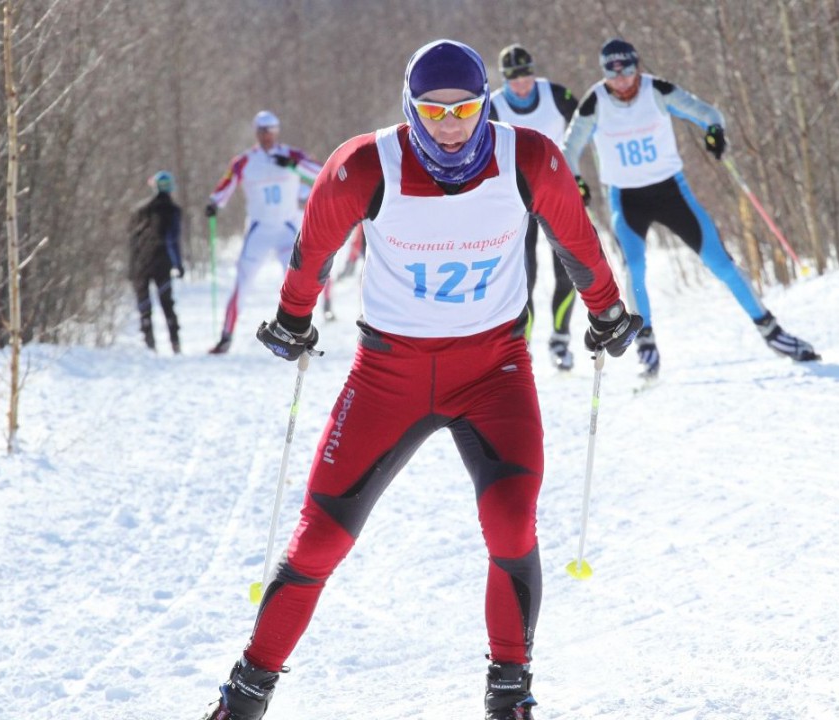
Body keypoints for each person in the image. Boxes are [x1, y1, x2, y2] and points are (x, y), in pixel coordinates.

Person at [203, 39, 641, 720]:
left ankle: (510, 694)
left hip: (492, 370)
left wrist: (607, 310)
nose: (449, 125)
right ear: (409, 109)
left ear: (482, 105)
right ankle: (245, 696)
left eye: (464, 109)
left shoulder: (527, 158)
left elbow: (575, 240)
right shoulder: (363, 165)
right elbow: (313, 247)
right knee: (319, 536)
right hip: (389, 375)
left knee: (511, 524)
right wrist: (292, 318)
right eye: (431, 112)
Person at [562, 38, 819, 379]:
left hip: (671, 192)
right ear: (605, 72)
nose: (621, 79)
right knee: (633, 268)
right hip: (627, 198)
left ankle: (774, 333)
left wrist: (714, 132)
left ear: (637, 66)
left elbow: (709, 114)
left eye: (627, 69)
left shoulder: (658, 90)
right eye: (612, 71)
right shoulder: (595, 101)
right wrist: (576, 180)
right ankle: (647, 347)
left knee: (721, 262)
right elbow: (569, 149)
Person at [489, 43, 581, 370]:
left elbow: (584, 130)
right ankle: (522, 345)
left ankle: (560, 339)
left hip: (557, 195)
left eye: (526, 75)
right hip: (518, 202)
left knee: (567, 271)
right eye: (514, 78)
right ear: (504, 79)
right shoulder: (494, 106)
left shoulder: (557, 96)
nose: (522, 84)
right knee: (524, 276)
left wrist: (578, 176)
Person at [205, 110, 322, 354]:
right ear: (256, 133)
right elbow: (228, 182)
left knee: (298, 283)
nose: (267, 136)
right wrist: (215, 202)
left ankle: (299, 334)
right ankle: (226, 336)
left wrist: (293, 166)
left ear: (277, 132)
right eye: (262, 131)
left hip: (287, 228)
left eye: (271, 131)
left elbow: (321, 172)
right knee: (242, 283)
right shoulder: (245, 160)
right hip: (259, 229)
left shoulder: (290, 155)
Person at [128, 171, 183, 353]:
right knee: (167, 303)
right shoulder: (173, 211)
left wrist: (131, 266)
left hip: (140, 263)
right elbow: (172, 240)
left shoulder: (140, 210)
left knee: (144, 305)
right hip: (163, 262)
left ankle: (150, 344)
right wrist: (178, 264)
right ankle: (175, 343)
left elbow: (133, 241)